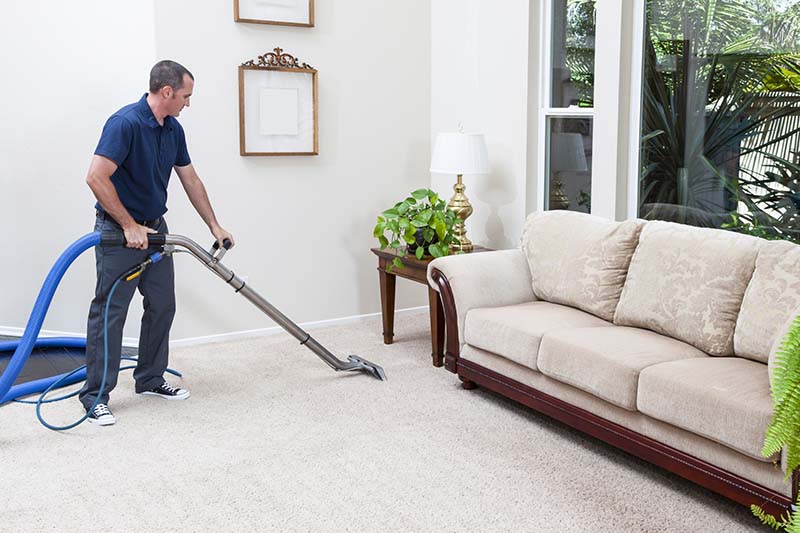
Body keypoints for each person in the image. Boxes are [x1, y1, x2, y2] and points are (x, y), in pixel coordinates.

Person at [81, 60, 234, 426]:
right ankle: (94, 396)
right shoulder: (125, 124)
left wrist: (214, 225)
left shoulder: (173, 129)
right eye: (186, 96)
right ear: (166, 92)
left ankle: (149, 378)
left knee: (163, 304)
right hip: (120, 234)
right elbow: (96, 177)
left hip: (156, 232)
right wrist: (129, 225)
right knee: (110, 313)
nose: (188, 103)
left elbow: (190, 178)